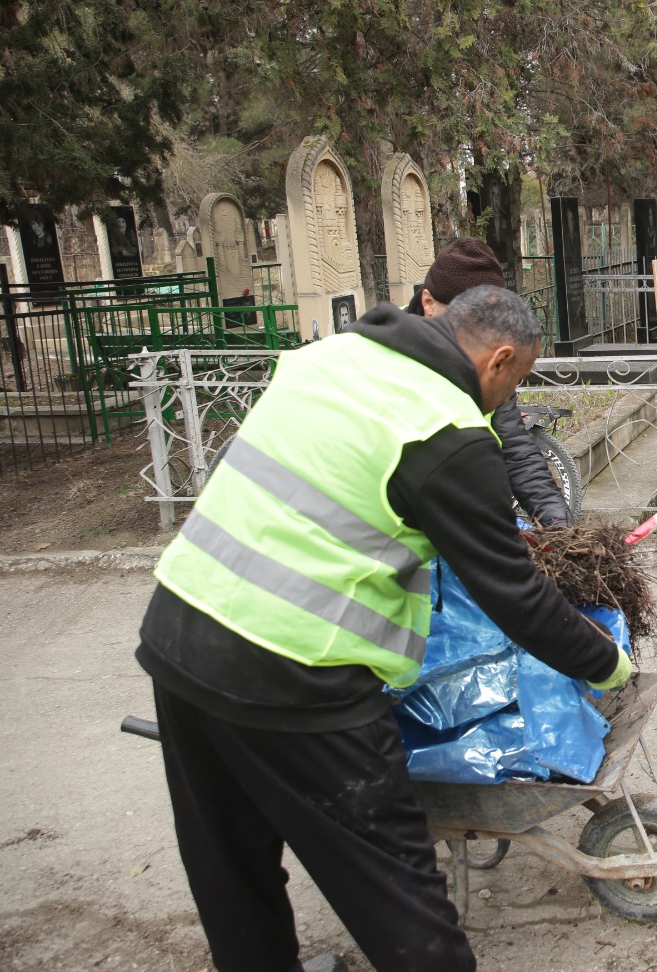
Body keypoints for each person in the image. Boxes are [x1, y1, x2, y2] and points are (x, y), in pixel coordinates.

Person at [136, 285, 631, 972]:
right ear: (499, 361)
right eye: (515, 382)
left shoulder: (329, 356)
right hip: (300, 674)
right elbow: (515, 596)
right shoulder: (446, 431)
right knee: (398, 893)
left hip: (179, 630)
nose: (508, 399)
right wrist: (606, 663)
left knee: (231, 867)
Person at [405, 237, 572, 528]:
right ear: (428, 304)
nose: (477, 342)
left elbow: (516, 449)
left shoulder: (486, 361)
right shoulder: (388, 361)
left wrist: (558, 524)